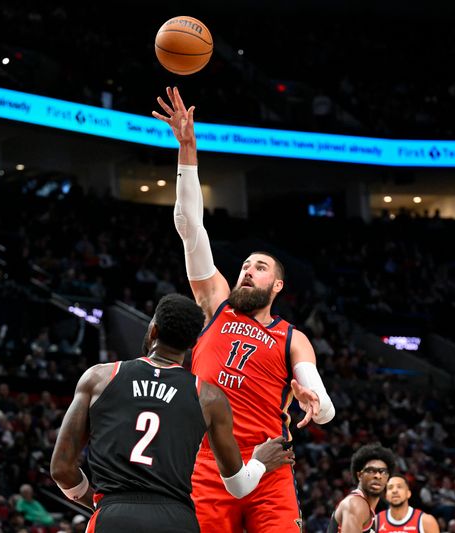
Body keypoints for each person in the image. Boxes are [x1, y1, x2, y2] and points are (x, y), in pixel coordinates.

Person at [153, 86, 335, 532]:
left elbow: (323, 406)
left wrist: (317, 399)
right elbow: (188, 225)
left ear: (277, 284)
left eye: (259, 267)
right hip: (209, 462)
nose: (247, 272)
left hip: (270, 463)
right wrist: (187, 150)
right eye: (244, 266)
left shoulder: (293, 336)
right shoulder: (215, 302)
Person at [50, 293, 293, 532]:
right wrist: (259, 462)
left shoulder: (99, 378)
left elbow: (61, 469)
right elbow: (239, 486)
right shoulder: (209, 397)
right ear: (192, 344)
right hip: (176, 519)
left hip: (114, 513)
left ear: (153, 330)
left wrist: (97, 502)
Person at [328, 444, 395, 533]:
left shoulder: (372, 509)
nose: (378, 476)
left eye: (383, 472)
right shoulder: (356, 504)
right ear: (359, 475)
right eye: (371, 471)